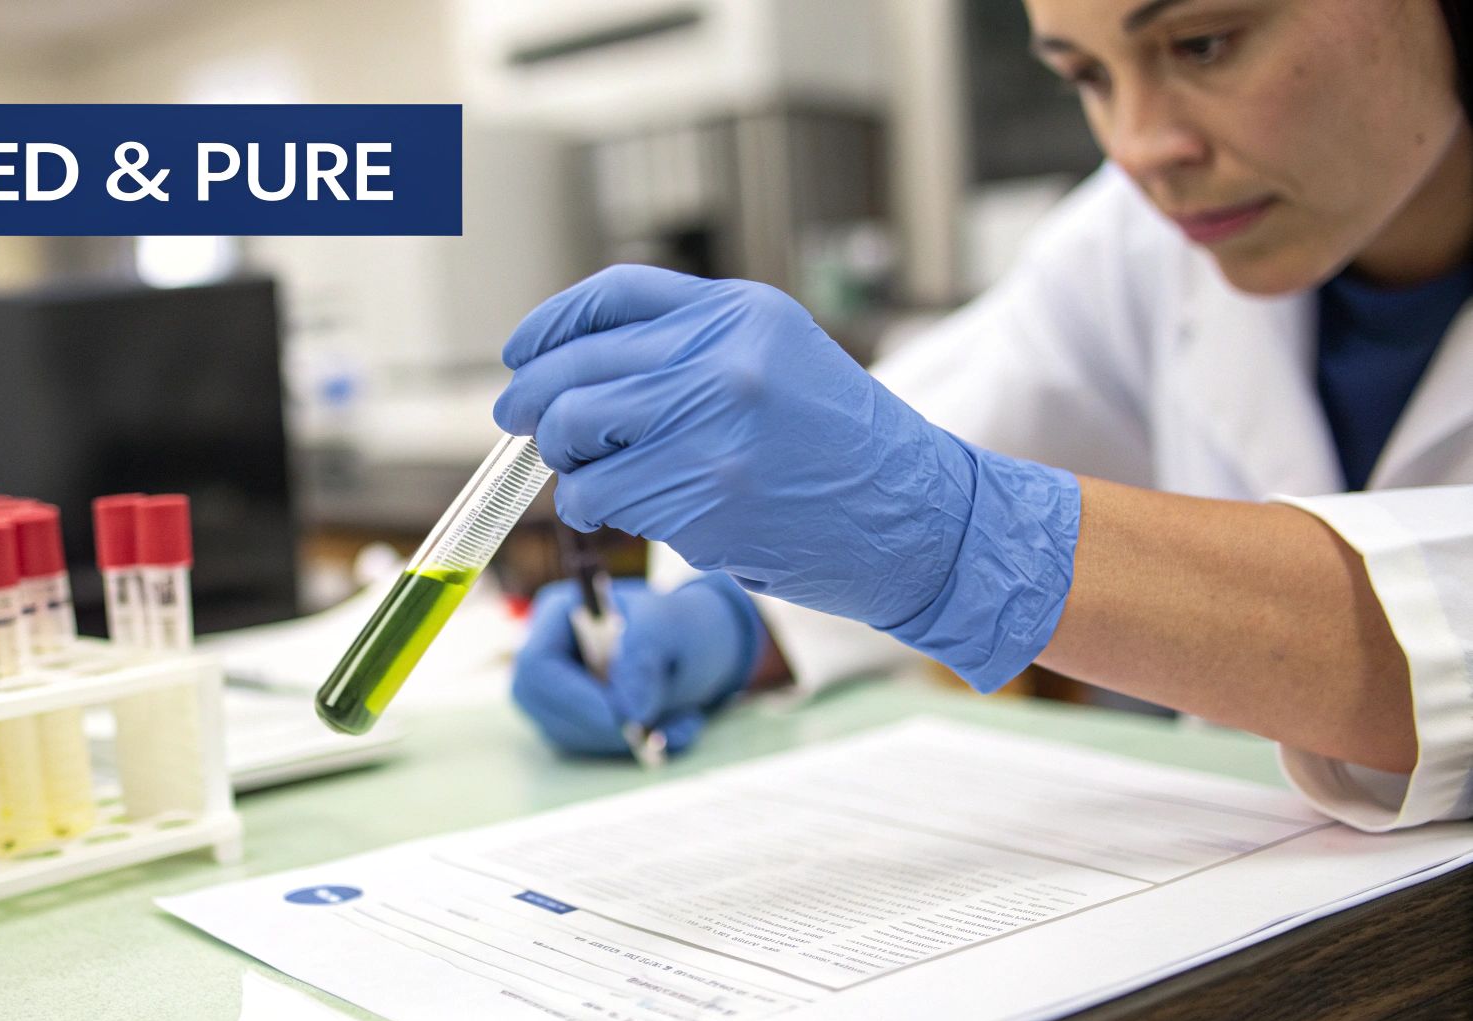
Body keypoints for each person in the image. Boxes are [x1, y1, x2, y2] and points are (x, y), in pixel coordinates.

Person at [498, 0, 1473, 833]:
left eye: (1203, 42)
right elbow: (924, 449)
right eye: (1086, 76)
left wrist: (976, 539)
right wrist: (723, 623)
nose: (1138, 147)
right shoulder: (1138, 245)